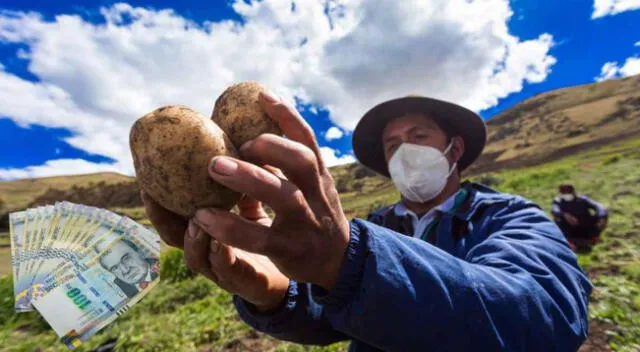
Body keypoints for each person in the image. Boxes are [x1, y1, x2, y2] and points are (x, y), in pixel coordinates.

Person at [142, 92, 592, 351]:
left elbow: (545, 317)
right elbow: (332, 318)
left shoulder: (508, 216)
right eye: (393, 144)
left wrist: (346, 262)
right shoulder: (378, 225)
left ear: (454, 150)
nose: (404, 149)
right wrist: (273, 291)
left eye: (418, 136)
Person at [95, 238, 160, 298]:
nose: (125, 270)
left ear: (139, 252)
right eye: (115, 268)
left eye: (126, 258)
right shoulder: (120, 290)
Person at [552, 184, 608, 251]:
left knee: (603, 216)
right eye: (564, 193)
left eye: (568, 192)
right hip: (571, 230)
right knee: (557, 220)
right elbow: (555, 210)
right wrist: (564, 214)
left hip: (585, 225)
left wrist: (602, 218)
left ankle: (593, 237)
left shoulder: (583, 199)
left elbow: (599, 207)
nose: (567, 194)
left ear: (573, 192)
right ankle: (569, 242)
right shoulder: (558, 201)